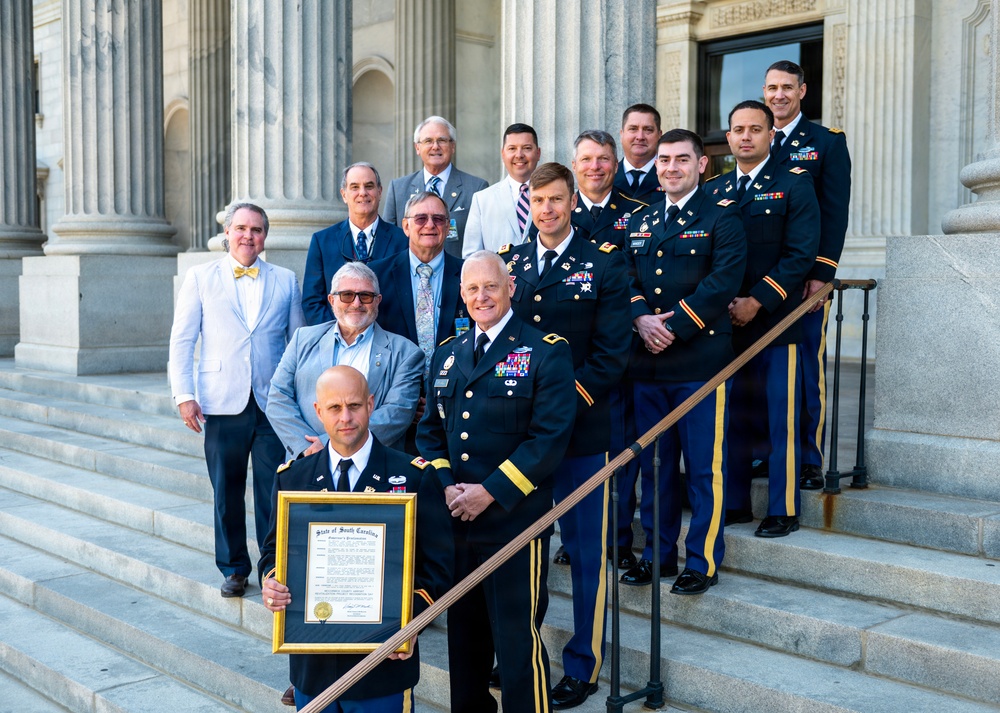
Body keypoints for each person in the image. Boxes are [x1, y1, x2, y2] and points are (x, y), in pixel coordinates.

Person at [416, 250, 576, 713]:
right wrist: (446, 484)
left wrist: (489, 492)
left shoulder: (545, 350)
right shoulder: (448, 354)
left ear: (511, 288)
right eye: (471, 289)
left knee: (515, 644)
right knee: (464, 644)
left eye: (490, 286)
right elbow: (430, 432)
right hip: (457, 522)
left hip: (513, 523)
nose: (481, 296)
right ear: (461, 295)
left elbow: (547, 439)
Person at [503, 162, 631, 708]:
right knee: (523, 549)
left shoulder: (603, 264)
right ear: (528, 204)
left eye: (557, 200)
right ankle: (516, 651)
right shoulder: (510, 263)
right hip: (523, 438)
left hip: (581, 432)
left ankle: (584, 663)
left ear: (573, 201)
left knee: (584, 552)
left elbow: (611, 355)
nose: (548, 210)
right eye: (539, 201)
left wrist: (558, 405)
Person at [259, 366, 453, 712]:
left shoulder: (413, 477)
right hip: (313, 664)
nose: (345, 417)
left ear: (371, 404)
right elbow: (274, 552)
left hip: (383, 663)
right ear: (318, 412)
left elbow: (438, 570)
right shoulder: (294, 480)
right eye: (334, 408)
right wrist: (272, 581)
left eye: (355, 405)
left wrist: (409, 620)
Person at [622, 129, 746, 594]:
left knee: (701, 468)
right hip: (649, 368)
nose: (670, 167)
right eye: (663, 160)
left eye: (680, 159)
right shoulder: (643, 220)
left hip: (699, 364)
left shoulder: (723, 218)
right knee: (654, 468)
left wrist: (671, 327)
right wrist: (640, 318)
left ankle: (703, 560)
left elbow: (722, 282)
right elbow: (627, 276)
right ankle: (657, 555)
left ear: (701, 166)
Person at [168, 202, 305, 598]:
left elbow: (297, 345)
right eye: (241, 228)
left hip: (272, 403)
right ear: (227, 233)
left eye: (257, 230)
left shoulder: (286, 279)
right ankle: (233, 567)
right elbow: (183, 339)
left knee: (272, 489)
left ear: (265, 236)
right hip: (219, 401)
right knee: (226, 490)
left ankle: (271, 566)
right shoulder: (200, 277)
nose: (249, 236)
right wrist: (184, 394)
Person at [704, 100, 820, 538]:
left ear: (772, 135)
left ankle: (782, 508)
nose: (746, 136)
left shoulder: (794, 184)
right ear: (728, 137)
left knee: (780, 419)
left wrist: (757, 300)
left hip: (775, 322)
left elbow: (799, 255)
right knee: (730, 416)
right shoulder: (713, 190)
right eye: (738, 129)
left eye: (756, 128)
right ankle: (733, 503)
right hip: (725, 325)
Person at [762, 60, 852, 490]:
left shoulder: (825, 143)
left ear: (802, 91)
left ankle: (809, 457)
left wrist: (823, 274)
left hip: (804, 281)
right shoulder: (756, 139)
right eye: (771, 88)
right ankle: (768, 450)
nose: (778, 94)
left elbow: (834, 213)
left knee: (805, 372)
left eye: (786, 87)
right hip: (760, 282)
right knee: (759, 372)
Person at [267, 262, 424, 456]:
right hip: (307, 461)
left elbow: (396, 414)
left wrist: (329, 445)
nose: (356, 303)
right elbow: (277, 398)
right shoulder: (302, 340)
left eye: (365, 296)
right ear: (332, 300)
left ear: (378, 300)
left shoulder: (406, 353)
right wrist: (307, 448)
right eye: (347, 295)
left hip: (373, 464)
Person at [369, 191, 466, 377]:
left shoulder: (467, 274)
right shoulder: (377, 275)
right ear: (406, 226)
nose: (430, 225)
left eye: (438, 219)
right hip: (394, 386)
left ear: (447, 227)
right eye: (421, 218)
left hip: (453, 388)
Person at [301, 162, 408, 326]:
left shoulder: (402, 240)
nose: (362, 193)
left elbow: (407, 297)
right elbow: (312, 302)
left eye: (369, 186)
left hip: (389, 340)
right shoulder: (322, 241)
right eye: (355, 187)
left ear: (379, 192)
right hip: (337, 343)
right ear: (344, 194)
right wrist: (340, 336)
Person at [383, 116, 488, 258]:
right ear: (417, 147)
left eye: (442, 140)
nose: (435, 146)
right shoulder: (398, 188)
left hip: (457, 276)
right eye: (428, 141)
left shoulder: (477, 187)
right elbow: (388, 241)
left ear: (453, 146)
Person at [463, 123, 542, 256]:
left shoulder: (552, 197)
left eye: (527, 148)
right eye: (512, 148)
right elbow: (472, 256)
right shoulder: (482, 200)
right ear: (503, 153)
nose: (519, 155)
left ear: (538, 153)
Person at [570, 130, 648, 249]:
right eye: (586, 159)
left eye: (603, 158)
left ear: (616, 166)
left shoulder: (639, 214)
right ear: (574, 166)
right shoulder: (558, 213)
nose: (595, 166)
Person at [613, 103, 664, 203]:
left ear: (659, 135)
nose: (640, 137)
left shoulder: (671, 176)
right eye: (633, 129)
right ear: (622, 134)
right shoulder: (608, 177)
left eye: (648, 130)